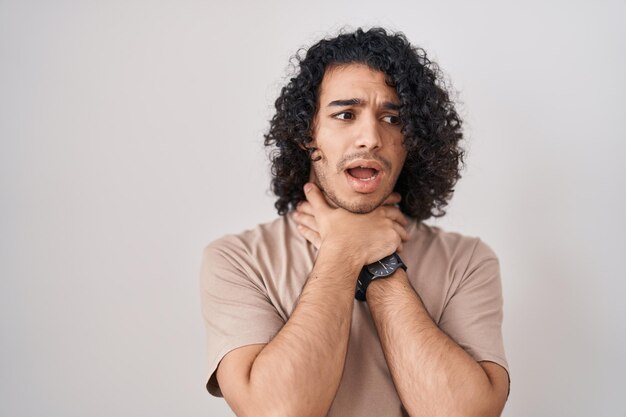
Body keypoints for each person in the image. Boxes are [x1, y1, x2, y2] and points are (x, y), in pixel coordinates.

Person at [200, 27, 510, 417]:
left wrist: (381, 262)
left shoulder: (467, 260)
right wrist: (344, 251)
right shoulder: (238, 259)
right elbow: (277, 411)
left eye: (392, 119)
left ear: (412, 139)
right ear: (306, 136)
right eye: (345, 114)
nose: (371, 138)